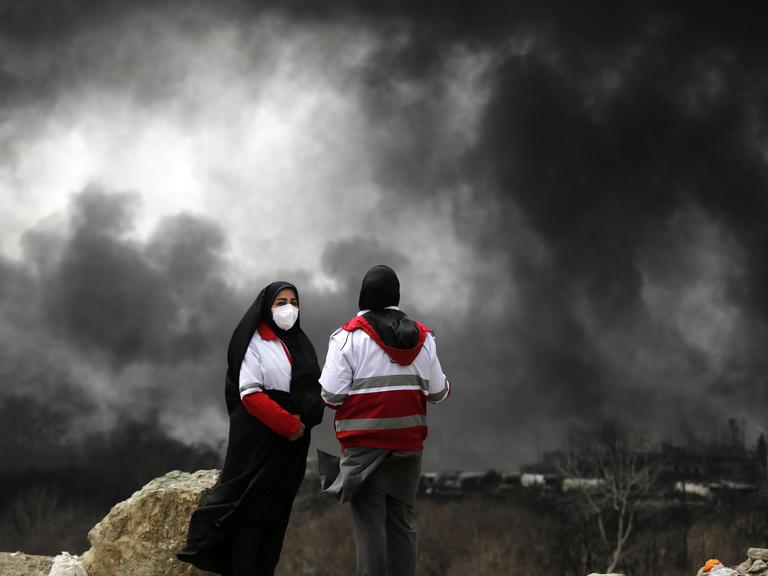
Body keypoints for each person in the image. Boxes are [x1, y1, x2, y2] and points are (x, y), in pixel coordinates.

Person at [177, 281, 324, 576]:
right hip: (259, 445)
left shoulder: (300, 344)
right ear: (266, 306)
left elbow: (313, 389)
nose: (289, 309)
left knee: (275, 517)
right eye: (280, 302)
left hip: (292, 449)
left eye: (294, 302)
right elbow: (250, 394)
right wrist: (288, 424)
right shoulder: (253, 342)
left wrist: (305, 418)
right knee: (248, 514)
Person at [318, 265, 450, 576]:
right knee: (402, 523)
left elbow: (331, 396)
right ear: (396, 295)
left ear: (363, 295)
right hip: (407, 446)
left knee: (369, 527)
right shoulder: (424, 337)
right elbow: (438, 391)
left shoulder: (347, 338)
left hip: (363, 448)